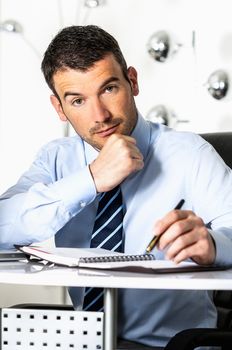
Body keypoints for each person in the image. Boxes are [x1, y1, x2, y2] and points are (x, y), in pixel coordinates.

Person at [0, 24, 232, 349]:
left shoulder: (190, 154)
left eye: (109, 89)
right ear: (59, 108)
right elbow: (2, 225)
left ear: (132, 81)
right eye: (78, 100)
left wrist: (213, 244)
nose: (100, 115)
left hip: (171, 346)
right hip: (82, 340)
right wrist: (91, 179)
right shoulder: (56, 159)